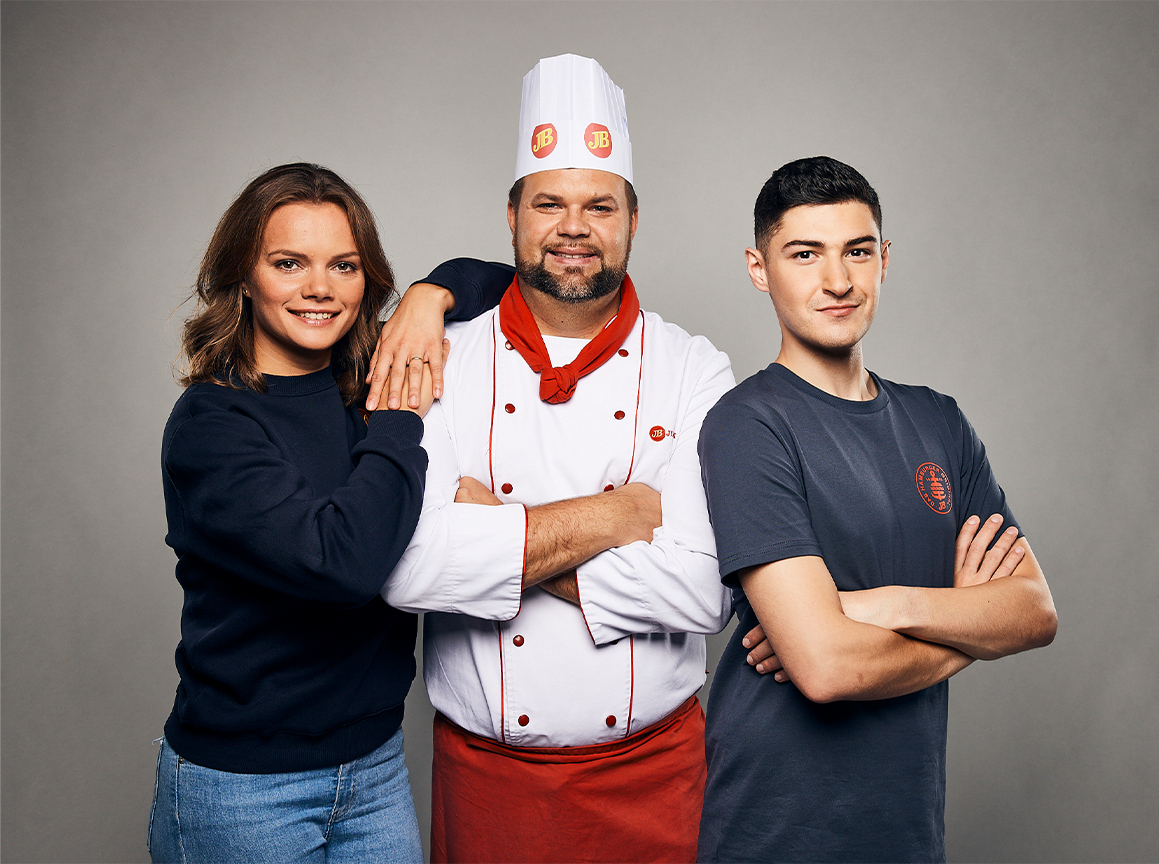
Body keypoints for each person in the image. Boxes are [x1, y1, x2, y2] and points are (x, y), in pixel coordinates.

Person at [371, 54, 735, 863]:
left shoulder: (694, 368)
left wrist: (492, 531)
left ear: (633, 219)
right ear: (511, 216)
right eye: (550, 203)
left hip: (657, 774)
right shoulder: (436, 358)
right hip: (487, 778)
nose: (574, 227)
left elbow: (701, 589)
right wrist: (618, 516)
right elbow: (406, 570)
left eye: (599, 205)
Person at [696, 156, 1059, 863]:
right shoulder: (748, 425)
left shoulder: (938, 421)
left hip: (907, 829)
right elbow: (828, 670)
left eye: (857, 251)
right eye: (805, 254)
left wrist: (873, 605)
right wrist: (969, 625)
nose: (838, 281)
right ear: (759, 268)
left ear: (884, 259)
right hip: (778, 832)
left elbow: (1034, 613)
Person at [149, 163, 500, 864]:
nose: (320, 288)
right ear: (244, 277)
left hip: (372, 767)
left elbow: (511, 278)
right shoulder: (212, 423)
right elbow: (341, 563)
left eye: (344, 265)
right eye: (289, 263)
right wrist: (399, 422)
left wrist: (429, 296)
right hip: (244, 789)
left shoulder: (363, 376)